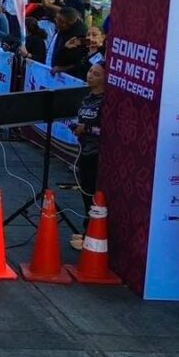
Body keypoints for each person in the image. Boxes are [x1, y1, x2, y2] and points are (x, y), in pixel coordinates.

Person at [70, 61, 105, 250]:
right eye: (90, 71)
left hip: (98, 153)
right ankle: (87, 229)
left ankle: (90, 233)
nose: (90, 75)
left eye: (97, 74)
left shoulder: (106, 101)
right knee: (85, 192)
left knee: (92, 192)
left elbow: (109, 130)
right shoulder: (87, 98)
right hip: (84, 151)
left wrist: (88, 128)